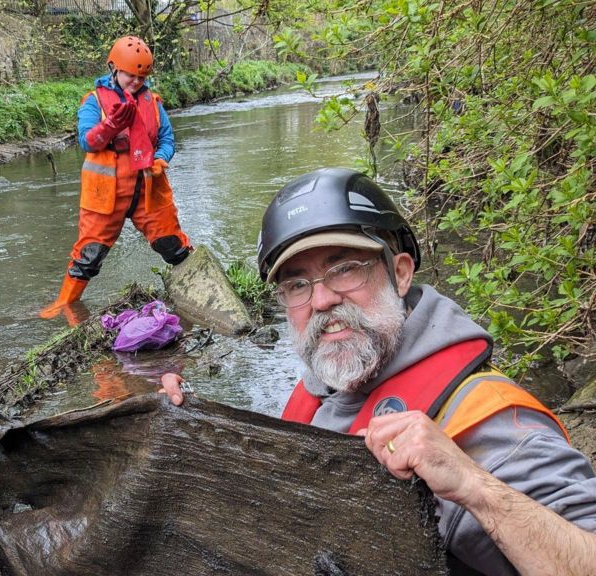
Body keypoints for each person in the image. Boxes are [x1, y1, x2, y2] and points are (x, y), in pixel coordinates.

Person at [160, 167, 596, 575]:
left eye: (344, 268)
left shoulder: (489, 419)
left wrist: (474, 485)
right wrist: (199, 434)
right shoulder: (323, 388)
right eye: (297, 284)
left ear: (400, 273)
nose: (322, 300)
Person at [40, 35, 191, 319]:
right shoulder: (94, 101)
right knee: (89, 255)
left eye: (141, 76)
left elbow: (167, 139)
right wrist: (110, 125)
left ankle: (200, 288)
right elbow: (87, 142)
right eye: (130, 75)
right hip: (105, 194)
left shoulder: (153, 102)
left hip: (148, 187)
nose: (136, 82)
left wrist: (161, 158)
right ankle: (66, 306)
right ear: (114, 68)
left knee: (172, 245)